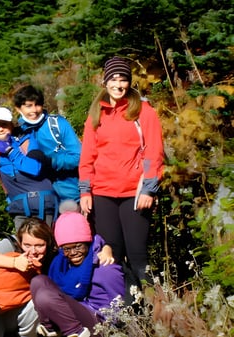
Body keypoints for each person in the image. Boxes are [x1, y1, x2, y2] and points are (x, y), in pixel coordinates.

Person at [78, 56, 164, 296]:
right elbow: (87, 158)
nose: (118, 84)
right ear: (105, 82)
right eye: (113, 79)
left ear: (130, 83)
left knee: (137, 253)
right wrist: (85, 191)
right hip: (103, 194)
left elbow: (153, 153)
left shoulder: (143, 112)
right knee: (111, 255)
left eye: (123, 79)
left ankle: (157, 308)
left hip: (133, 195)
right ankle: (124, 311)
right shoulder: (97, 114)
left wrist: (148, 189)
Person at [30, 201, 124, 337]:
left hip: (100, 323)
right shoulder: (62, 263)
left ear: (87, 242)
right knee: (38, 281)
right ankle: (50, 329)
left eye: (78, 246)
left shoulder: (104, 266)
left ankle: (76, 333)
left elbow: (119, 307)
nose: (73, 252)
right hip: (76, 313)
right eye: (67, 249)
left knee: (45, 296)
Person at [0, 217, 57, 337]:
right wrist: (14, 262)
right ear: (20, 241)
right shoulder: (13, 243)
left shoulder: (53, 255)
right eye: (27, 245)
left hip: (22, 309)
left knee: (40, 300)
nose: (33, 251)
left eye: (40, 245)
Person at [0, 106, 58, 229]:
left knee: (44, 244)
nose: (1, 129)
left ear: (11, 125)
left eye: (4, 124)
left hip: (43, 205)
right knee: (24, 247)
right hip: (19, 210)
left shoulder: (28, 141)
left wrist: (10, 151)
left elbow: (35, 168)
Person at [14, 85, 81, 203]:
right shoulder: (16, 133)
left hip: (69, 196)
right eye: (28, 106)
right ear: (18, 109)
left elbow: (79, 157)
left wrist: (50, 161)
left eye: (37, 104)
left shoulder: (58, 123)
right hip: (37, 203)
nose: (34, 110)